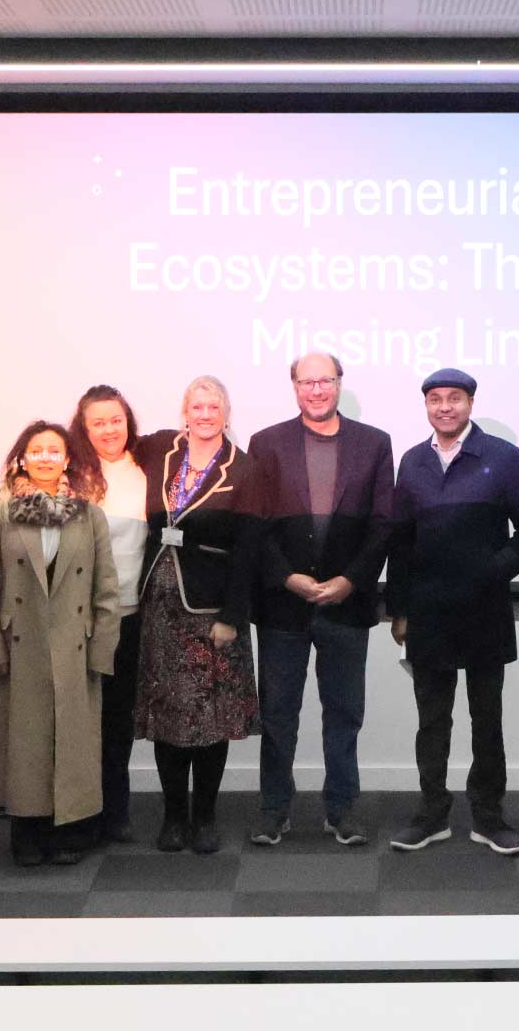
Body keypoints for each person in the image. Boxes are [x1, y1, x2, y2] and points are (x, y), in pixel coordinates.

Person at [386, 368, 519, 856]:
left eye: (454, 398)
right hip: (428, 613)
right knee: (432, 722)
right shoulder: (412, 462)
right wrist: (399, 609)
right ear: (426, 406)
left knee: (487, 720)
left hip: (485, 610)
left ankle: (489, 817)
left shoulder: (502, 457)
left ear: (470, 404)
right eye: (435, 399)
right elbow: (400, 541)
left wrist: (497, 569)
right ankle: (432, 814)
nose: (444, 407)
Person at [247, 353, 394, 848]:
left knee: (345, 714)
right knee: (277, 715)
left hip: (346, 604)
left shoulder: (375, 443)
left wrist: (351, 580)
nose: (316, 390)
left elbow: (383, 524)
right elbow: (256, 524)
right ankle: (274, 810)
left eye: (325, 381)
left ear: (339, 383)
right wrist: (285, 576)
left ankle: (342, 809)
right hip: (283, 605)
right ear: (294, 386)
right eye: (306, 381)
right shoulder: (266, 443)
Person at [0, 420, 122, 866]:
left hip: (75, 645)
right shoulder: (3, 512)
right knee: (25, 742)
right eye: (36, 450)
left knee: (72, 743)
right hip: (21, 644)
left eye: (54, 451)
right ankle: (27, 831)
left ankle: (69, 830)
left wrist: (102, 651)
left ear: (67, 459)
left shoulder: (89, 515)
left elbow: (106, 589)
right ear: (22, 458)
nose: (45, 458)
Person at [134, 376, 265, 855]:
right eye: (197, 406)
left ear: (226, 414)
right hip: (160, 609)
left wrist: (233, 616)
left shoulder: (244, 468)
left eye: (214, 407)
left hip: (212, 614)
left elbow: (249, 550)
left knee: (212, 719)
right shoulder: (160, 452)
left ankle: (205, 816)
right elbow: (108, 438)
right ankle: (174, 816)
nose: (205, 415)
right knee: (167, 717)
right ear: (184, 412)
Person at [67, 385, 151, 843]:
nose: (108, 430)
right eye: (97, 422)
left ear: (128, 422)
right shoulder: (69, 473)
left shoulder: (145, 469)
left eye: (115, 420)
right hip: (78, 618)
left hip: (131, 615)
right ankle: (79, 813)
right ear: (83, 428)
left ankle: (115, 811)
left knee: (118, 720)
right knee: (81, 720)